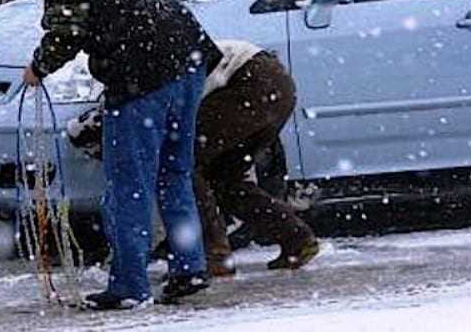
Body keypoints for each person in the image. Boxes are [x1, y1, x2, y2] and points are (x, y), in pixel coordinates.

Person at [12, 0, 222, 310]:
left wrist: (38, 67)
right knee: (174, 173)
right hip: (189, 61)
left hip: (141, 79)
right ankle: (189, 266)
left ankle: (130, 286)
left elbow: (67, 33)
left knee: (129, 185)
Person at [68, 40, 319, 277]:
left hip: (249, 81)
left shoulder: (135, 89)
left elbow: (166, 125)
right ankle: (297, 239)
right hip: (276, 86)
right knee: (227, 181)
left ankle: (214, 253)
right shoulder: (139, 76)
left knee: (181, 164)